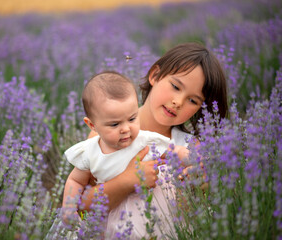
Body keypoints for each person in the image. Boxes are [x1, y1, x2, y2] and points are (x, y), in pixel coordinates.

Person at [75, 42, 228, 239]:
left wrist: (197, 189)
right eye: (175, 86)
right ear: (155, 75)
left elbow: (187, 219)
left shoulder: (191, 148)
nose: (178, 102)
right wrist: (128, 180)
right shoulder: (106, 136)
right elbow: (81, 207)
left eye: (193, 100)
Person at [62, 71, 179, 230]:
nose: (125, 129)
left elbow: (172, 151)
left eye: (132, 119)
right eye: (114, 124)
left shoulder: (144, 140)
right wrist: (68, 208)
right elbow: (75, 180)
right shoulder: (89, 151)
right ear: (92, 125)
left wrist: (189, 156)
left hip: (147, 216)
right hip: (109, 218)